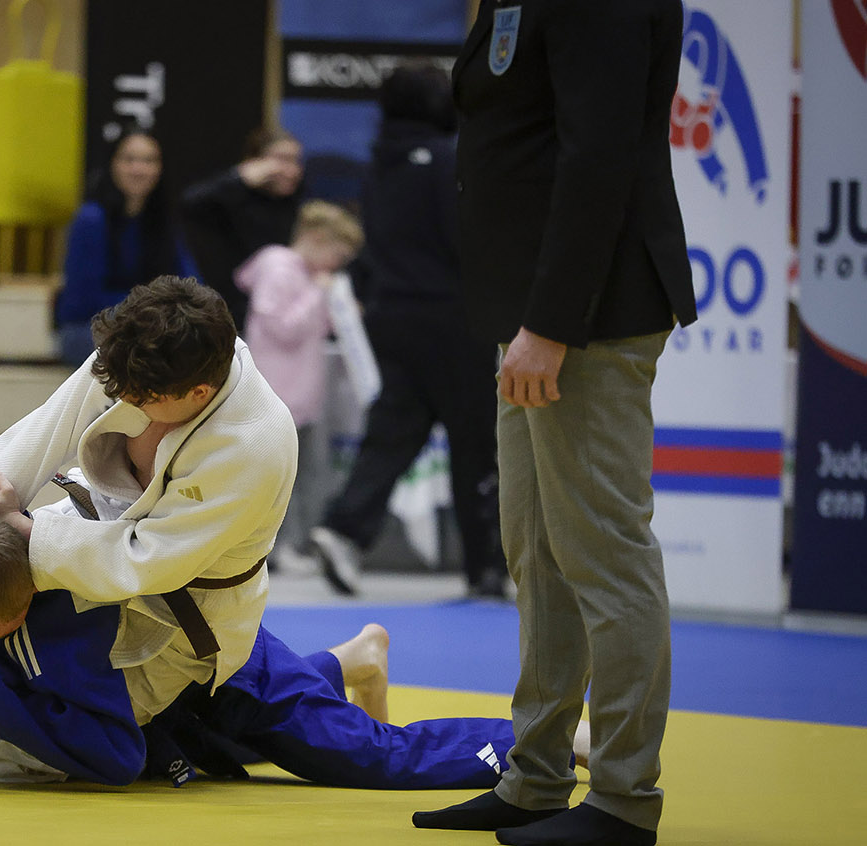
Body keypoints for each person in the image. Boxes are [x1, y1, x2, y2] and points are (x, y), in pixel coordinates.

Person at [412, 4, 698, 846]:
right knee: (537, 553)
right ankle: (536, 777)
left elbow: (599, 155)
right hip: (533, 309)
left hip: (585, 316)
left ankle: (623, 799)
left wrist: (553, 323)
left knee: (605, 553)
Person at [0, 504, 528, 790]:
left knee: (367, 758)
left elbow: (115, 753)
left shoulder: (74, 611)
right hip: (163, 689)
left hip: (221, 664)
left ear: (27, 600)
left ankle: (550, 741)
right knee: (205, 751)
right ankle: (350, 660)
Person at [0, 276, 298, 726]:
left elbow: (148, 559)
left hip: (186, 608)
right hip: (93, 533)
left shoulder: (254, 443)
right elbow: (45, 432)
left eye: (142, 400)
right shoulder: (137, 357)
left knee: (80, 736)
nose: (124, 398)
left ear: (199, 394)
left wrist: (20, 529)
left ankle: (341, 664)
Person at [307, 63, 509, 599]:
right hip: (452, 319)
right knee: (474, 442)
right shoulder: (447, 159)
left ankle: (344, 529)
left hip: (391, 318)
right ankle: (486, 569)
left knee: (393, 434)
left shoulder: (378, 165)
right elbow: (466, 239)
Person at [233, 200, 363, 572]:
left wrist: (340, 308)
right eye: (338, 255)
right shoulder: (279, 268)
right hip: (277, 393)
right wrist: (318, 294)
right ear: (318, 238)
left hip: (301, 396)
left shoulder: (309, 276)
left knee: (305, 476)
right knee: (278, 479)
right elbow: (282, 327)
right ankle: (275, 548)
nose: (336, 266)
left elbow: (317, 328)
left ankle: (296, 545)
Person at [55, 127, 198, 366]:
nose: (138, 169)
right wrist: (155, 310)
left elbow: (191, 285)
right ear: (112, 164)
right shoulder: (91, 219)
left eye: (149, 161)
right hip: (90, 329)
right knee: (156, 348)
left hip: (153, 326)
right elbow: (82, 303)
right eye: (129, 160)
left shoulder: (164, 222)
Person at [181, 128, 304, 328]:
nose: (292, 170)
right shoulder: (233, 195)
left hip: (279, 314)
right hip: (228, 309)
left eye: (295, 161)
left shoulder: (296, 201)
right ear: (254, 162)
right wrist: (238, 178)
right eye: (282, 159)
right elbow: (190, 203)